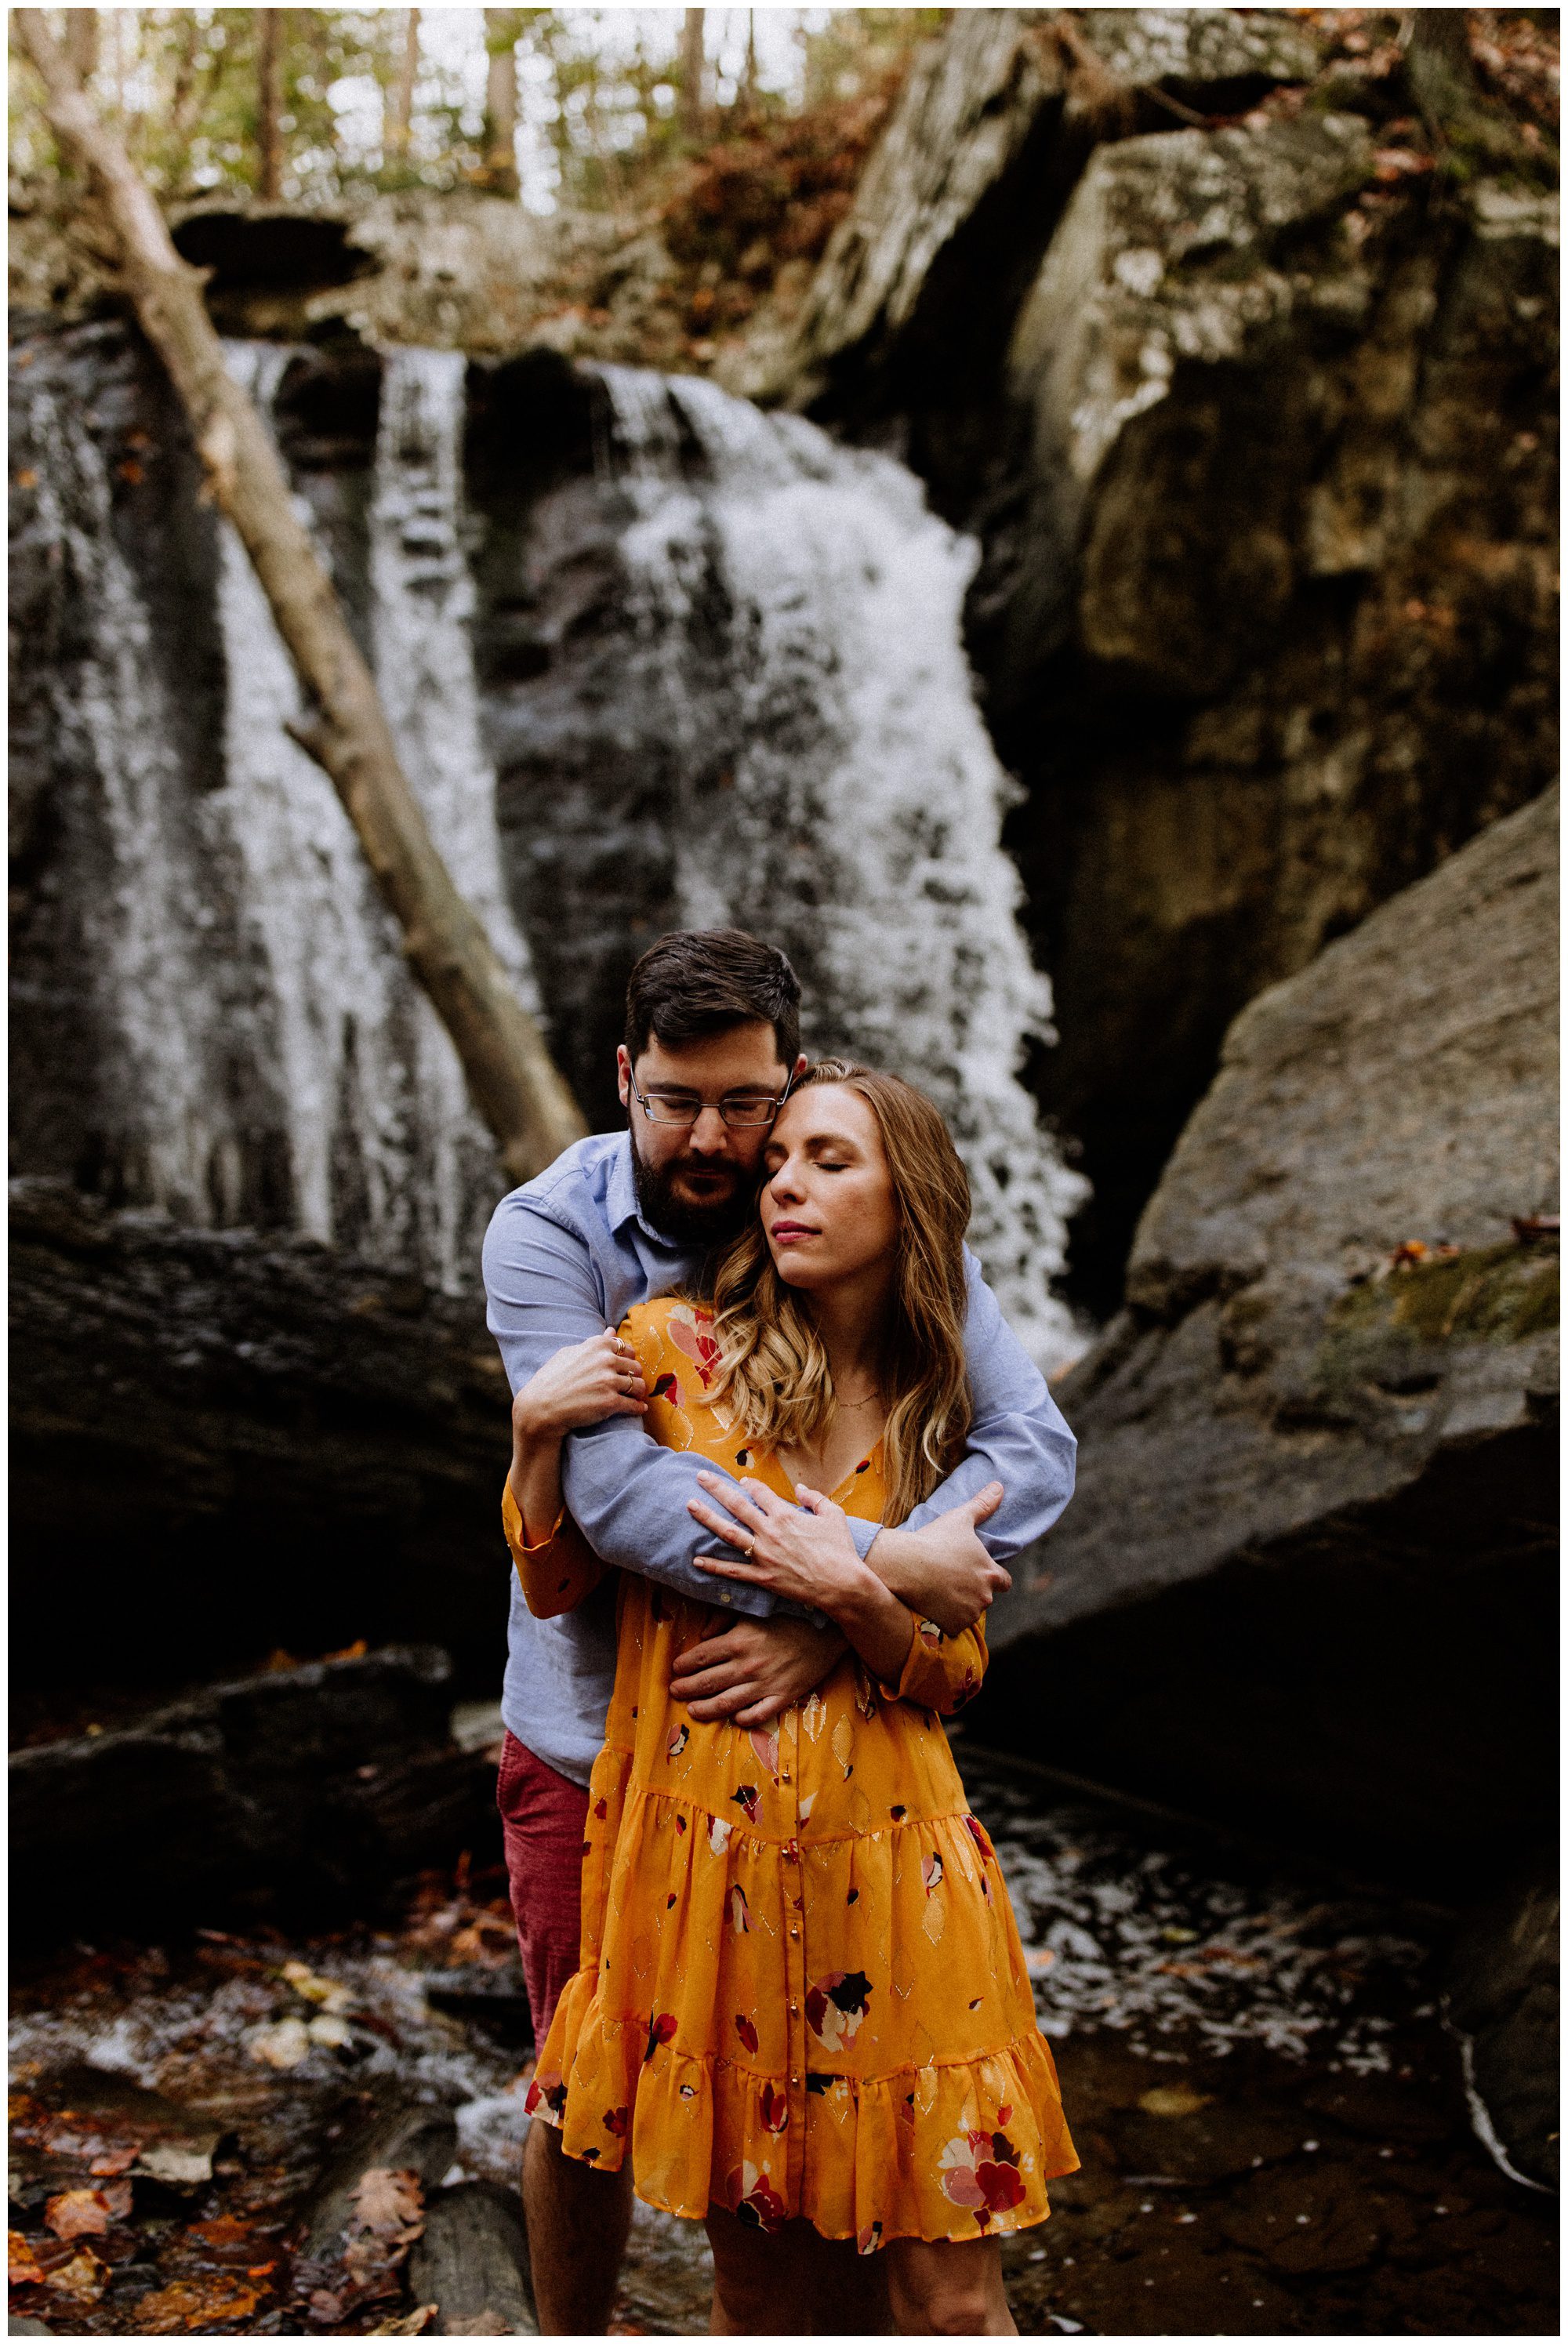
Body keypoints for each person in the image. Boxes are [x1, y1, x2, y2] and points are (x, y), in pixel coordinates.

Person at [482, 930, 1076, 2332]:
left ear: (790, 1079)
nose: (721, 1140)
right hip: (600, 1745)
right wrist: (870, 1575)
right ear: (624, 1079)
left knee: (833, 2174)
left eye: (749, 1106)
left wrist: (855, 1619)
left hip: (860, 1805)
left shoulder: (825, 1208)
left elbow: (1031, 1449)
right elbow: (620, 1503)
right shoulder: (562, 1241)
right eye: (675, 1101)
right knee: (585, 2095)